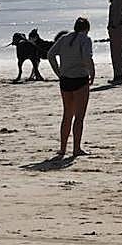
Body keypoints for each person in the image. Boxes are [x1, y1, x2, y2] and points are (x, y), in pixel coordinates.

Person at [47, 17, 95, 157]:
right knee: (79, 117)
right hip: (80, 79)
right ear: (86, 29)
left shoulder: (64, 38)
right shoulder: (85, 39)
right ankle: (76, 148)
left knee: (67, 115)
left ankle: (62, 149)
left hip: (65, 80)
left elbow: (50, 55)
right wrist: (92, 72)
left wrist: (59, 72)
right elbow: (87, 57)